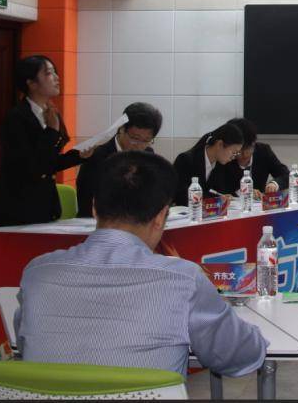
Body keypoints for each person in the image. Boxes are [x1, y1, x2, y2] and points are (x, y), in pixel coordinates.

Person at [15, 151, 268, 376]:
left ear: (94, 208)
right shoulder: (183, 279)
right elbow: (236, 355)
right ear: (160, 217)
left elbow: (25, 342)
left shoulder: (37, 272)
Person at [0, 56, 93, 227]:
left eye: (55, 72)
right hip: (19, 207)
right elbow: (31, 164)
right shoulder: (17, 117)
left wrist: (79, 156)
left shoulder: (51, 112)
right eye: (49, 73)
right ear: (31, 83)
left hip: (45, 205)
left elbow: (49, 162)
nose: (57, 78)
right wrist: (51, 132)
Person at [76, 102, 163, 217]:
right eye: (135, 138)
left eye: (146, 140)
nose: (139, 145)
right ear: (121, 129)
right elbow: (86, 202)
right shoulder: (96, 157)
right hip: (99, 222)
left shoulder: (148, 155)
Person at [172, 123, 244, 207]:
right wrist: (212, 200)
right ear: (220, 144)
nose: (233, 157)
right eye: (233, 152)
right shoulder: (185, 160)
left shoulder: (222, 164)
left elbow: (221, 190)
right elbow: (180, 196)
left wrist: (224, 196)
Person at [223, 117, 289, 199]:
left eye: (247, 149)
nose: (244, 155)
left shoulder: (263, 151)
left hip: (258, 204)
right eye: (239, 151)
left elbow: (285, 175)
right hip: (233, 205)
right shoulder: (225, 156)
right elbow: (216, 188)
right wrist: (243, 192)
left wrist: (274, 184)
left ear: (253, 143)